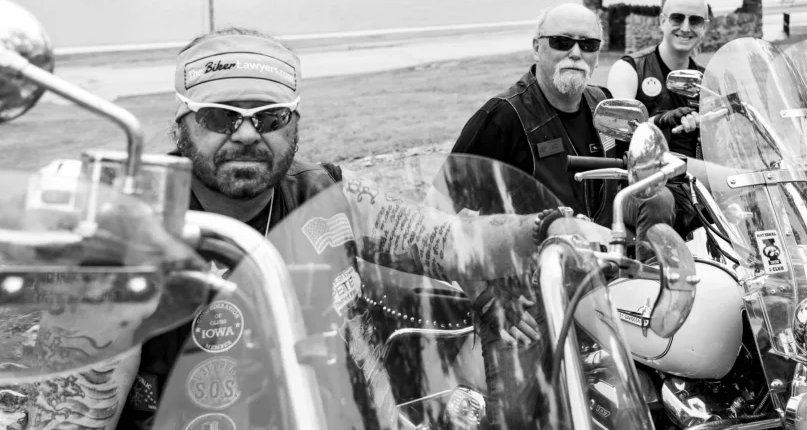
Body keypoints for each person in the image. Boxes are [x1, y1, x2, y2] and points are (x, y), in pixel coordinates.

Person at [14, 28, 603, 430]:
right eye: (222, 117)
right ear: (183, 122)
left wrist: (549, 226)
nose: (247, 136)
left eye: (269, 118)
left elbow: (442, 241)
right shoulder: (131, 230)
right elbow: (77, 407)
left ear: (293, 124)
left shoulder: (325, 195)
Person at [451, 3, 674, 257]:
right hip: (534, 262)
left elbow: (632, 168)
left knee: (659, 198)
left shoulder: (603, 102)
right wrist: (481, 292)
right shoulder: (502, 117)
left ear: (597, 56)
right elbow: (443, 210)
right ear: (537, 47)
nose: (576, 53)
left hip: (598, 250)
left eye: (588, 45)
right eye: (562, 42)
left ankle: (647, 281)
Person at [606, 0, 711, 237]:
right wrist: (659, 121)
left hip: (692, 184)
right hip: (639, 185)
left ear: (704, 27)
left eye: (695, 20)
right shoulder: (630, 68)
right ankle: (653, 273)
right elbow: (617, 129)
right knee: (658, 199)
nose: (685, 27)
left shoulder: (707, 81)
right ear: (662, 21)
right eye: (677, 18)